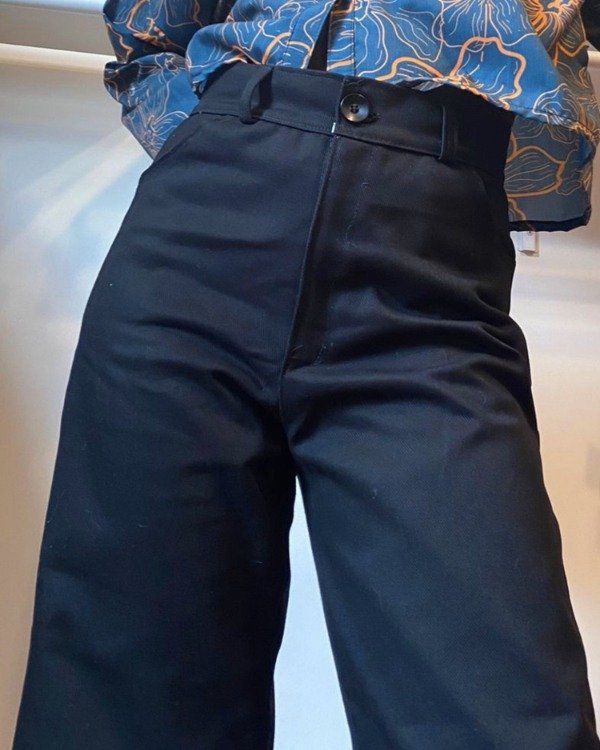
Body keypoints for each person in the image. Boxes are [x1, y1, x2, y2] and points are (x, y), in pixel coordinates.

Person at [12, 2, 600, 748]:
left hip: (432, 251)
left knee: (499, 715)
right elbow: (151, 26)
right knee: (125, 699)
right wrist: (214, 131)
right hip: (202, 223)